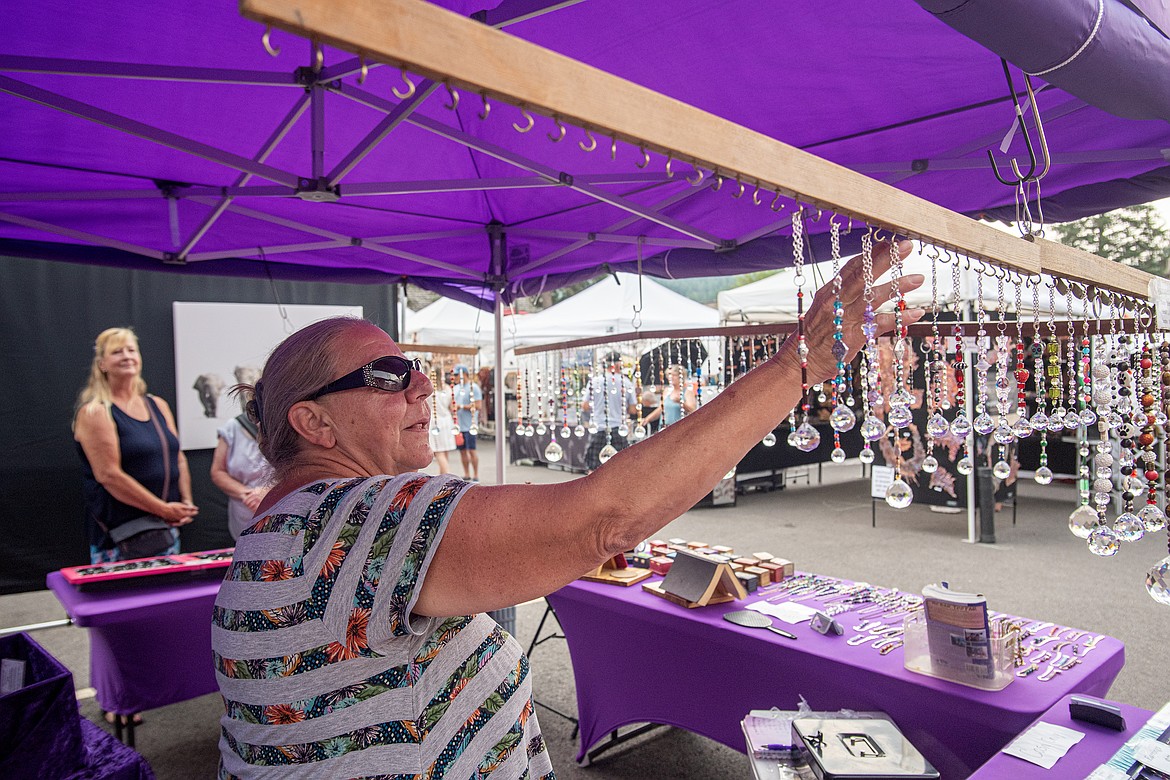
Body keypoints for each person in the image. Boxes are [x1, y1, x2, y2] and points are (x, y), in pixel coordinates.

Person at [211, 240, 920, 778]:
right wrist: (799, 362)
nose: (424, 387)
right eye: (390, 375)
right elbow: (602, 521)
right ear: (314, 424)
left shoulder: (295, 529)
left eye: (418, 368)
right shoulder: (344, 521)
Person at [74, 327, 198, 565]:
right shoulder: (96, 412)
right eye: (117, 352)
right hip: (122, 538)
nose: (127, 356)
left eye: (131, 350)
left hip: (165, 530)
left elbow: (177, 457)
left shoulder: (157, 405)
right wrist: (163, 509)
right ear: (102, 364)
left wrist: (186, 503)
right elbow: (109, 475)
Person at [210, 404, 272, 541]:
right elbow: (218, 472)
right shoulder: (233, 427)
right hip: (244, 518)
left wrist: (268, 492)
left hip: (282, 516)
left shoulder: (293, 427)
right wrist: (248, 494)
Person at [582, 352, 637, 471]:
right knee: (620, 467)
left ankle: (593, 489)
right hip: (618, 428)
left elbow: (585, 406)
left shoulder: (594, 381)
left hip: (598, 427)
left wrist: (598, 406)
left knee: (593, 466)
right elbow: (633, 409)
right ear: (618, 365)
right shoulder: (626, 382)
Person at [452, 364, 483, 481]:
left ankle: (475, 474)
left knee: (472, 450)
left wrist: (462, 407)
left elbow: (478, 405)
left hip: (470, 425)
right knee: (462, 451)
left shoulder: (473, 387)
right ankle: (466, 473)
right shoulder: (455, 388)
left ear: (463, 374)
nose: (454, 377)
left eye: (456, 374)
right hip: (459, 426)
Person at [428, 364, 458, 474]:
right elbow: (452, 407)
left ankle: (447, 476)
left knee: (439, 453)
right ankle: (443, 477)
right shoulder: (447, 388)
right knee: (444, 452)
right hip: (447, 420)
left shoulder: (430, 389)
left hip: (435, 421)